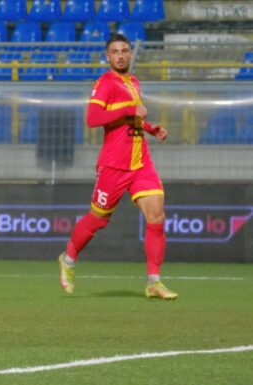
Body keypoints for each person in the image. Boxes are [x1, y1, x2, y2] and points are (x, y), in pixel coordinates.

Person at [58, 33, 177, 300]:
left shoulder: (133, 81)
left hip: (141, 163)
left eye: (125, 50)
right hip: (114, 166)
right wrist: (128, 112)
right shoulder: (105, 83)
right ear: (107, 56)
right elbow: (93, 118)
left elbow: (131, 117)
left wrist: (149, 128)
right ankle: (68, 258)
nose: (121, 55)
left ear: (130, 53)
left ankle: (153, 282)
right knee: (97, 220)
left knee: (156, 216)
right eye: (115, 51)